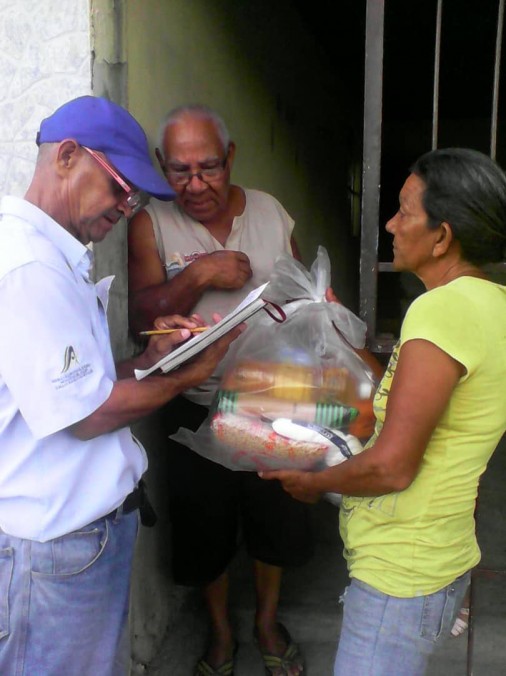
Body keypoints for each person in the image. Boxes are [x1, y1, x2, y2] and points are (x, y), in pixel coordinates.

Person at [0, 95, 243, 676]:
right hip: (56, 547)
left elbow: (84, 388)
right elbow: (85, 415)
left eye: (133, 195)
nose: (125, 205)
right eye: (118, 186)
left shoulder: (54, 257)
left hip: (77, 541)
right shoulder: (28, 266)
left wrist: (154, 360)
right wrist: (187, 376)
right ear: (66, 156)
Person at [260, 148, 506, 675]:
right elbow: (403, 397)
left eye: (404, 211)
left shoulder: (440, 310)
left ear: (442, 237)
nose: (390, 224)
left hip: (401, 571)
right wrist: (342, 336)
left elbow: (392, 467)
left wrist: (313, 483)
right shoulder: (492, 306)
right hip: (435, 555)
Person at [128, 104, 311, 676]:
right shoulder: (151, 223)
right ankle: (222, 632)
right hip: (192, 403)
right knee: (203, 530)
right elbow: (141, 317)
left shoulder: (270, 212)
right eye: (180, 171)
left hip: (271, 402)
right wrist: (200, 274)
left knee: (274, 521)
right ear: (161, 165)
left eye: (208, 167)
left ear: (230, 157)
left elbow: (303, 293)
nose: (196, 184)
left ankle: (265, 621)